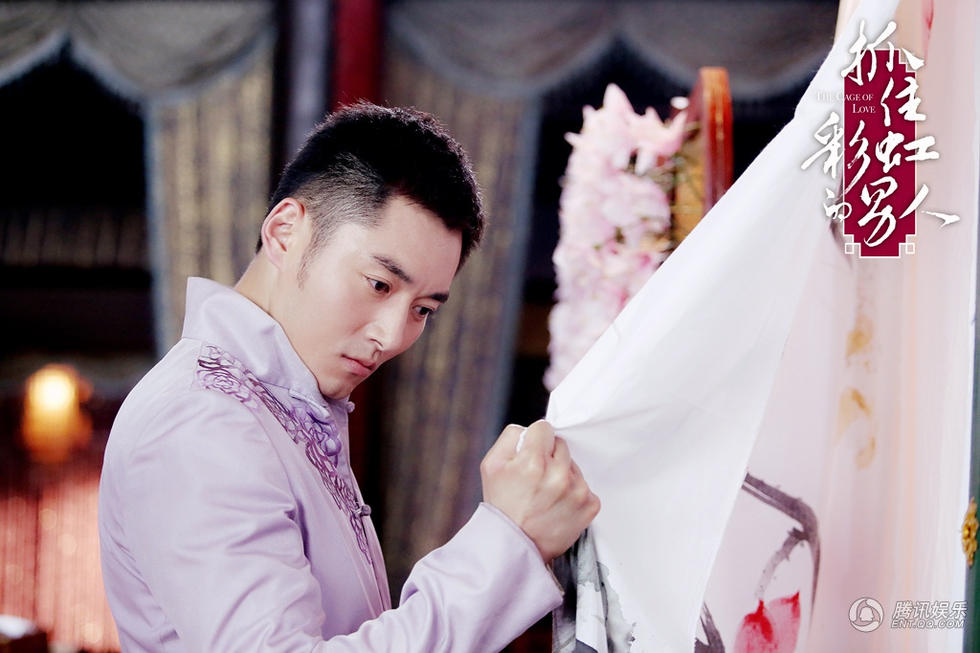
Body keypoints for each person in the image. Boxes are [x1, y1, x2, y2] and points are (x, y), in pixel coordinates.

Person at [98, 103, 600, 652]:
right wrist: (509, 541)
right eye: (379, 285)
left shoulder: (277, 407)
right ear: (285, 231)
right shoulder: (200, 418)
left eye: (423, 309)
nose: (392, 334)